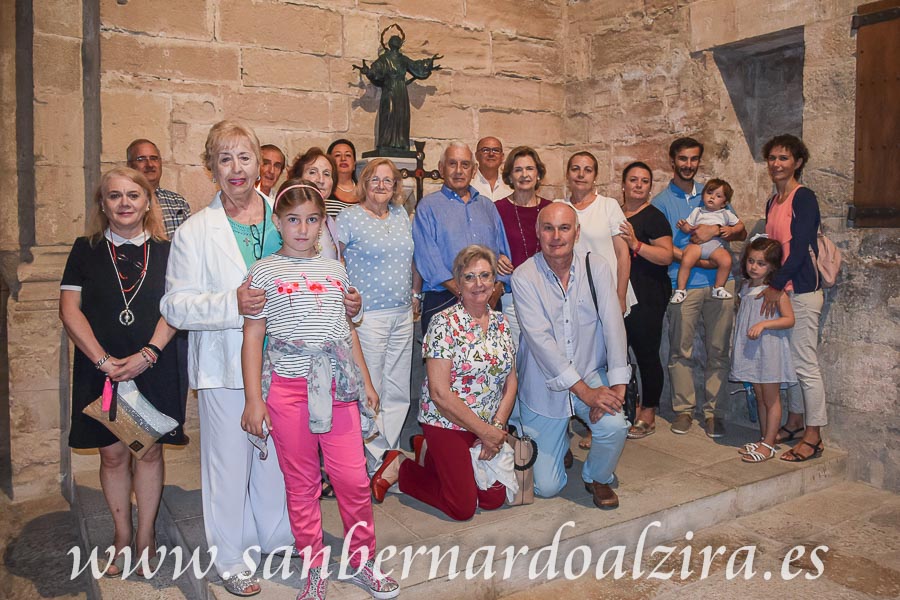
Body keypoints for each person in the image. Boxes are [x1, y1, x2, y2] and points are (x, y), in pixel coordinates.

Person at [161, 121, 361, 596]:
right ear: (211, 168)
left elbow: (324, 274)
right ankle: (230, 558)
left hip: (291, 367)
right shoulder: (195, 231)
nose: (236, 168)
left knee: (281, 462)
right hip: (228, 365)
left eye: (244, 157)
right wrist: (230, 302)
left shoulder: (289, 211)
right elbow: (174, 306)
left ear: (258, 164)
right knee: (229, 466)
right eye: (224, 158)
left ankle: (276, 536)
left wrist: (349, 304)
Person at [241, 180, 399, 600]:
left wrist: (366, 381)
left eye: (312, 220)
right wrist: (254, 400)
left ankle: (363, 560)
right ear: (278, 223)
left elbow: (346, 330)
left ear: (322, 224)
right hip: (288, 390)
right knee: (302, 483)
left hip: (337, 387)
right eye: (293, 220)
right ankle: (314, 568)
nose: (302, 229)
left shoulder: (335, 270)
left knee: (352, 479)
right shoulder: (263, 272)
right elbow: (253, 337)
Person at [60, 167, 185, 576]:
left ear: (148, 202)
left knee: (148, 450)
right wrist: (103, 361)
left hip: (154, 363)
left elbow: (177, 309)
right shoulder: (85, 249)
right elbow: (70, 310)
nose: (125, 203)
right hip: (101, 367)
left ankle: (146, 537)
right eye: (115, 196)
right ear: (103, 204)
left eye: (134, 195)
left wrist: (148, 353)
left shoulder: (169, 251)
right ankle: (122, 534)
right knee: (112, 454)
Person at [370, 245, 517, 521]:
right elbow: (439, 393)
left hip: (487, 425)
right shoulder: (443, 324)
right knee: (462, 507)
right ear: (458, 283)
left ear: (494, 281)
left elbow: (511, 381)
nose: (478, 283)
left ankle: (429, 455)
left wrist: (496, 427)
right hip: (447, 422)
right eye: (469, 277)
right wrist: (485, 432)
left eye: (485, 275)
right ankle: (401, 466)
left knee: (492, 499)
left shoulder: (502, 322)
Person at [512, 203, 629, 509]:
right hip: (543, 385)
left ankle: (597, 476)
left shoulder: (597, 267)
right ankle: (556, 438)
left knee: (616, 425)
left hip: (589, 371)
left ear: (576, 233)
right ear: (538, 233)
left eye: (564, 228)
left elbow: (613, 326)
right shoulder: (524, 276)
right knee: (547, 487)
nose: (556, 236)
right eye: (548, 228)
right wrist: (586, 394)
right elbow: (541, 344)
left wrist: (618, 387)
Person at [651, 137, 746, 438]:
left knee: (718, 351)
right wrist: (698, 260)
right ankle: (683, 410)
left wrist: (715, 230)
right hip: (684, 283)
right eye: (683, 158)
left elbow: (739, 230)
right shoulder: (661, 203)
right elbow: (663, 246)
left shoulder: (713, 192)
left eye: (693, 159)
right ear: (672, 161)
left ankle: (714, 413)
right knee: (680, 350)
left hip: (721, 283)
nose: (688, 164)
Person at [337, 158, 416, 473]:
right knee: (371, 387)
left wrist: (414, 295)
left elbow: (410, 259)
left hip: (402, 313)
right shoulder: (349, 217)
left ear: (395, 185)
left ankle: (386, 455)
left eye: (388, 180)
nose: (381, 185)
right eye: (375, 179)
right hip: (368, 317)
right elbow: (336, 262)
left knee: (397, 390)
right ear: (364, 184)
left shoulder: (400, 215)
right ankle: (373, 457)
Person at [759, 134, 827, 462]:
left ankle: (814, 435)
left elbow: (799, 249)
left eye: (784, 158)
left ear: (798, 162)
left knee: (805, 365)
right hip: (782, 291)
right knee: (790, 363)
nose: (776, 164)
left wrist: (776, 284)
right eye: (772, 158)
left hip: (800, 290)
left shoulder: (804, 198)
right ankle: (796, 421)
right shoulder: (773, 201)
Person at [412, 142, 513, 335]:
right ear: (441, 168)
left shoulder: (487, 206)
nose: (459, 171)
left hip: (489, 300)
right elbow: (427, 258)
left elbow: (503, 254)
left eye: (465, 165)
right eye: (452, 164)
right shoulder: (427, 207)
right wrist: (464, 291)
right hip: (444, 299)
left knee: (490, 354)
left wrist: (498, 287)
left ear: (473, 170)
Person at [617, 162, 673, 439]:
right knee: (618, 356)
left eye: (644, 181)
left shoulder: (654, 217)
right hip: (619, 293)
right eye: (633, 180)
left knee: (646, 353)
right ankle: (626, 408)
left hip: (648, 294)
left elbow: (666, 255)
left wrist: (636, 244)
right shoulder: (615, 213)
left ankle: (648, 412)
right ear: (623, 184)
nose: (638, 185)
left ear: (650, 187)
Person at [732, 237, 796, 463]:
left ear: (772, 267)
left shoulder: (775, 292)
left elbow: (789, 319)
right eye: (751, 261)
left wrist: (764, 324)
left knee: (771, 399)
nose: (754, 267)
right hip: (752, 351)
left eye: (761, 263)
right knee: (759, 397)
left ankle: (769, 444)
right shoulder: (745, 287)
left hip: (769, 351)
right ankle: (763, 439)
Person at [561, 151, 636, 316]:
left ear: (595, 176)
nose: (581, 174)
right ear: (567, 174)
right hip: (571, 292)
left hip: (606, 290)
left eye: (587, 170)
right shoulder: (558, 207)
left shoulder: (609, 206)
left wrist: (620, 296)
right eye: (575, 169)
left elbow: (623, 255)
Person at [494, 146, 552, 348]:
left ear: (538, 174)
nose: (524, 175)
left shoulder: (550, 208)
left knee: (546, 353)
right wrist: (495, 256)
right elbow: (486, 244)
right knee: (516, 355)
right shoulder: (497, 209)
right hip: (512, 295)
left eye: (529, 169)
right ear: (510, 176)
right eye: (518, 170)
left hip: (547, 293)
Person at [354, 28, 441, 154]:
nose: (396, 43)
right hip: (389, 89)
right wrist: (368, 71)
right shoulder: (384, 59)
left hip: (401, 91)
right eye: (394, 40)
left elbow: (416, 66)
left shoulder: (403, 59)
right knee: (389, 114)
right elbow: (375, 71)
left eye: (397, 41)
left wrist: (429, 63)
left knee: (401, 115)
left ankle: (401, 143)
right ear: (390, 44)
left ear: (400, 44)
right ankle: (386, 143)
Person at [671, 179, 741, 304]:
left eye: (718, 196)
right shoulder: (697, 211)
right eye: (709, 193)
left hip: (715, 247)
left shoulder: (726, 214)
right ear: (703, 195)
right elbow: (689, 227)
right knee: (687, 259)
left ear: (724, 203)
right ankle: (680, 289)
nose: (712, 197)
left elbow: (740, 225)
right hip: (697, 245)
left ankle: (718, 287)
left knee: (726, 260)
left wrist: (731, 230)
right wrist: (683, 226)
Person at [126, 138, 191, 237]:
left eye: (154, 158)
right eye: (141, 159)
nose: (149, 164)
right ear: (129, 166)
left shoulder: (178, 203)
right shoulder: (123, 203)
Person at [288, 147, 342, 256]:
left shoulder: (330, 223)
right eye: (312, 172)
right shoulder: (289, 220)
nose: (321, 180)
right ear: (298, 178)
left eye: (327, 174)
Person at [472, 137, 513, 201]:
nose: (491, 154)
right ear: (476, 155)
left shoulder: (510, 185)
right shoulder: (469, 184)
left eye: (496, 150)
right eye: (485, 150)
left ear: (502, 157)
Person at [327, 139, 359, 212]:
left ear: (354, 164)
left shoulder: (366, 191)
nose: (343, 159)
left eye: (348, 155)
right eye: (337, 155)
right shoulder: (324, 189)